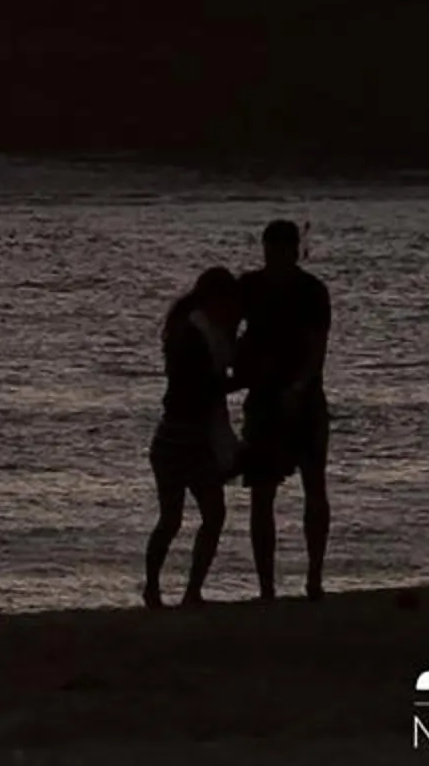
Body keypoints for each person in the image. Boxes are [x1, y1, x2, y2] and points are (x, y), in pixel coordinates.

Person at [234, 218, 333, 600]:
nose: (274, 257)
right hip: (264, 397)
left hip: (302, 398)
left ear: (294, 250)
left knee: (314, 485)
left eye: (280, 250)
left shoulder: (311, 291)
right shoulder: (250, 287)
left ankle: (314, 578)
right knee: (262, 492)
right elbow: (230, 329)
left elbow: (316, 347)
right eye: (269, 249)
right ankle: (266, 587)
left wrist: (298, 386)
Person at [145, 265, 243, 607]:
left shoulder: (202, 331)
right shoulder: (193, 336)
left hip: (185, 436)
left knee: (195, 516)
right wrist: (245, 380)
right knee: (186, 517)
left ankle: (179, 590)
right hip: (183, 437)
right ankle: (167, 589)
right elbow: (201, 387)